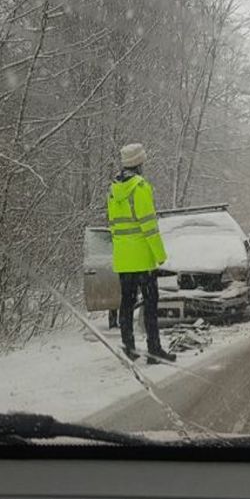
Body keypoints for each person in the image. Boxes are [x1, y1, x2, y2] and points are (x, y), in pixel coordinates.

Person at [107, 143, 176, 364]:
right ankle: (154, 350)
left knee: (126, 304)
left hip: (123, 258)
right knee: (150, 304)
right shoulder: (140, 187)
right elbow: (149, 225)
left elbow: (113, 226)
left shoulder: (113, 189)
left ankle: (129, 349)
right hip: (142, 258)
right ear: (139, 163)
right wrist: (160, 254)